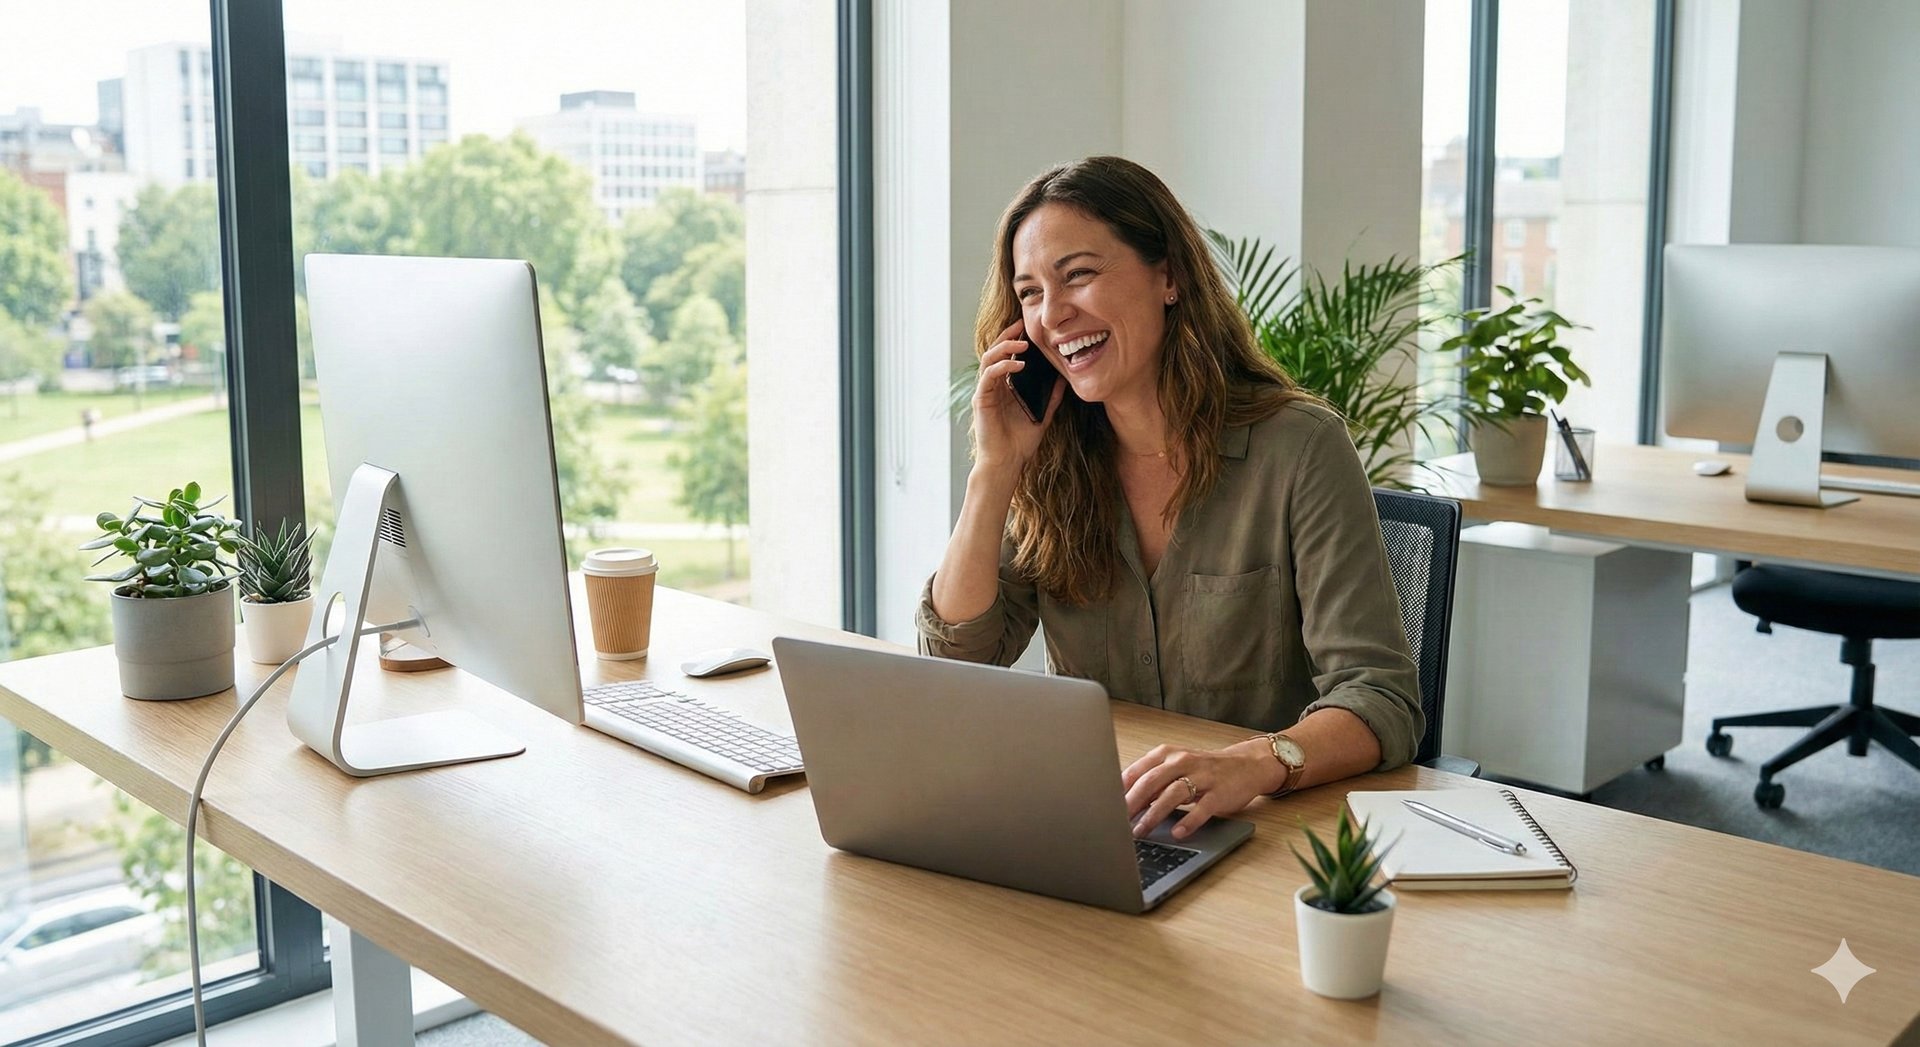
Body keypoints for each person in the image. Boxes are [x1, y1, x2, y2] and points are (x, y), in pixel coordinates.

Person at [916, 156, 1421, 843]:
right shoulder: (1046, 459)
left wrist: (1253, 762)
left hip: (1262, 832)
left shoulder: (1299, 449)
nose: (1053, 314)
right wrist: (993, 471)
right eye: (1029, 292)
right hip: (1102, 823)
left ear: (1170, 276)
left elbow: (1381, 697)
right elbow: (954, 667)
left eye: (1079, 275)